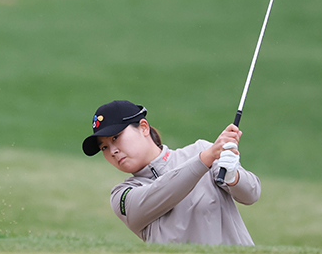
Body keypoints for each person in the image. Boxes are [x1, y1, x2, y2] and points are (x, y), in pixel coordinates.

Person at [82, 100, 260, 245]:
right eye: (104, 147)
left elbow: (252, 194)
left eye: (115, 137)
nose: (112, 151)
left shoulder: (201, 150)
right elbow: (163, 192)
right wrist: (204, 159)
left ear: (143, 127)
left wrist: (233, 177)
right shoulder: (122, 195)